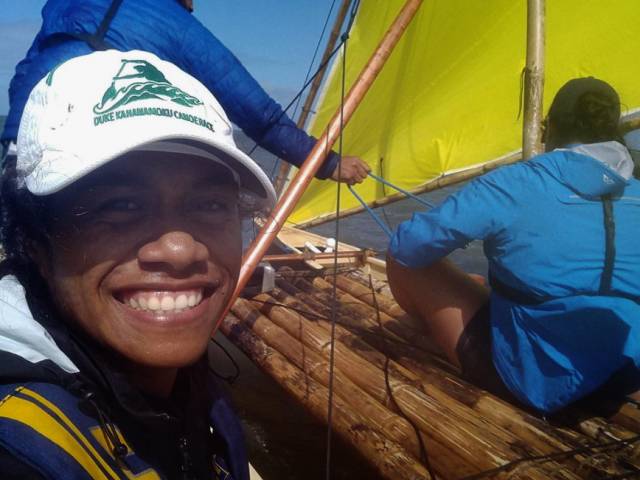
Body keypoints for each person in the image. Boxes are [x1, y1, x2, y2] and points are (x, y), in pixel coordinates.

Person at [0, 49, 277, 479]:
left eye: (210, 204)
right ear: (35, 241)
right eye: (122, 205)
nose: (181, 250)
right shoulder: (16, 445)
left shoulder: (174, 383)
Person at [386, 77, 640, 413]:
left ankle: (432, 333)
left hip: (538, 383)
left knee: (404, 262)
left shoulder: (514, 182)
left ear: (548, 129)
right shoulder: (634, 188)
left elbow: (409, 245)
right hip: (627, 367)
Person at [0, 0, 371, 185]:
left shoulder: (69, 5)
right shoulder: (173, 23)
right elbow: (258, 114)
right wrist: (329, 163)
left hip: (21, 149)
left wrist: (16, 138)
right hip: (95, 167)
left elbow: (22, 78)